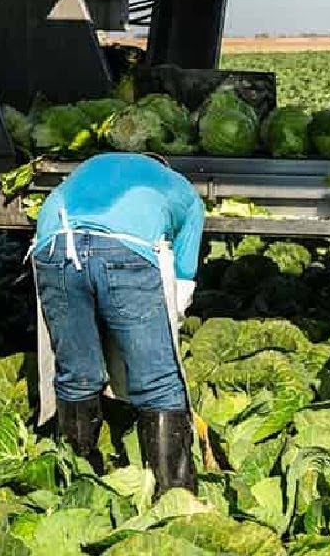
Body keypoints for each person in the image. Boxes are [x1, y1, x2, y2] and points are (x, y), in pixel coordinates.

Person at [30, 152, 205, 494]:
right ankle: (173, 494)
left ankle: (78, 484)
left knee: (77, 375)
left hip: (55, 245)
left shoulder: (91, 166)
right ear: (165, 167)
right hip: (127, 249)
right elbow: (181, 285)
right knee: (158, 383)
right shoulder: (183, 192)